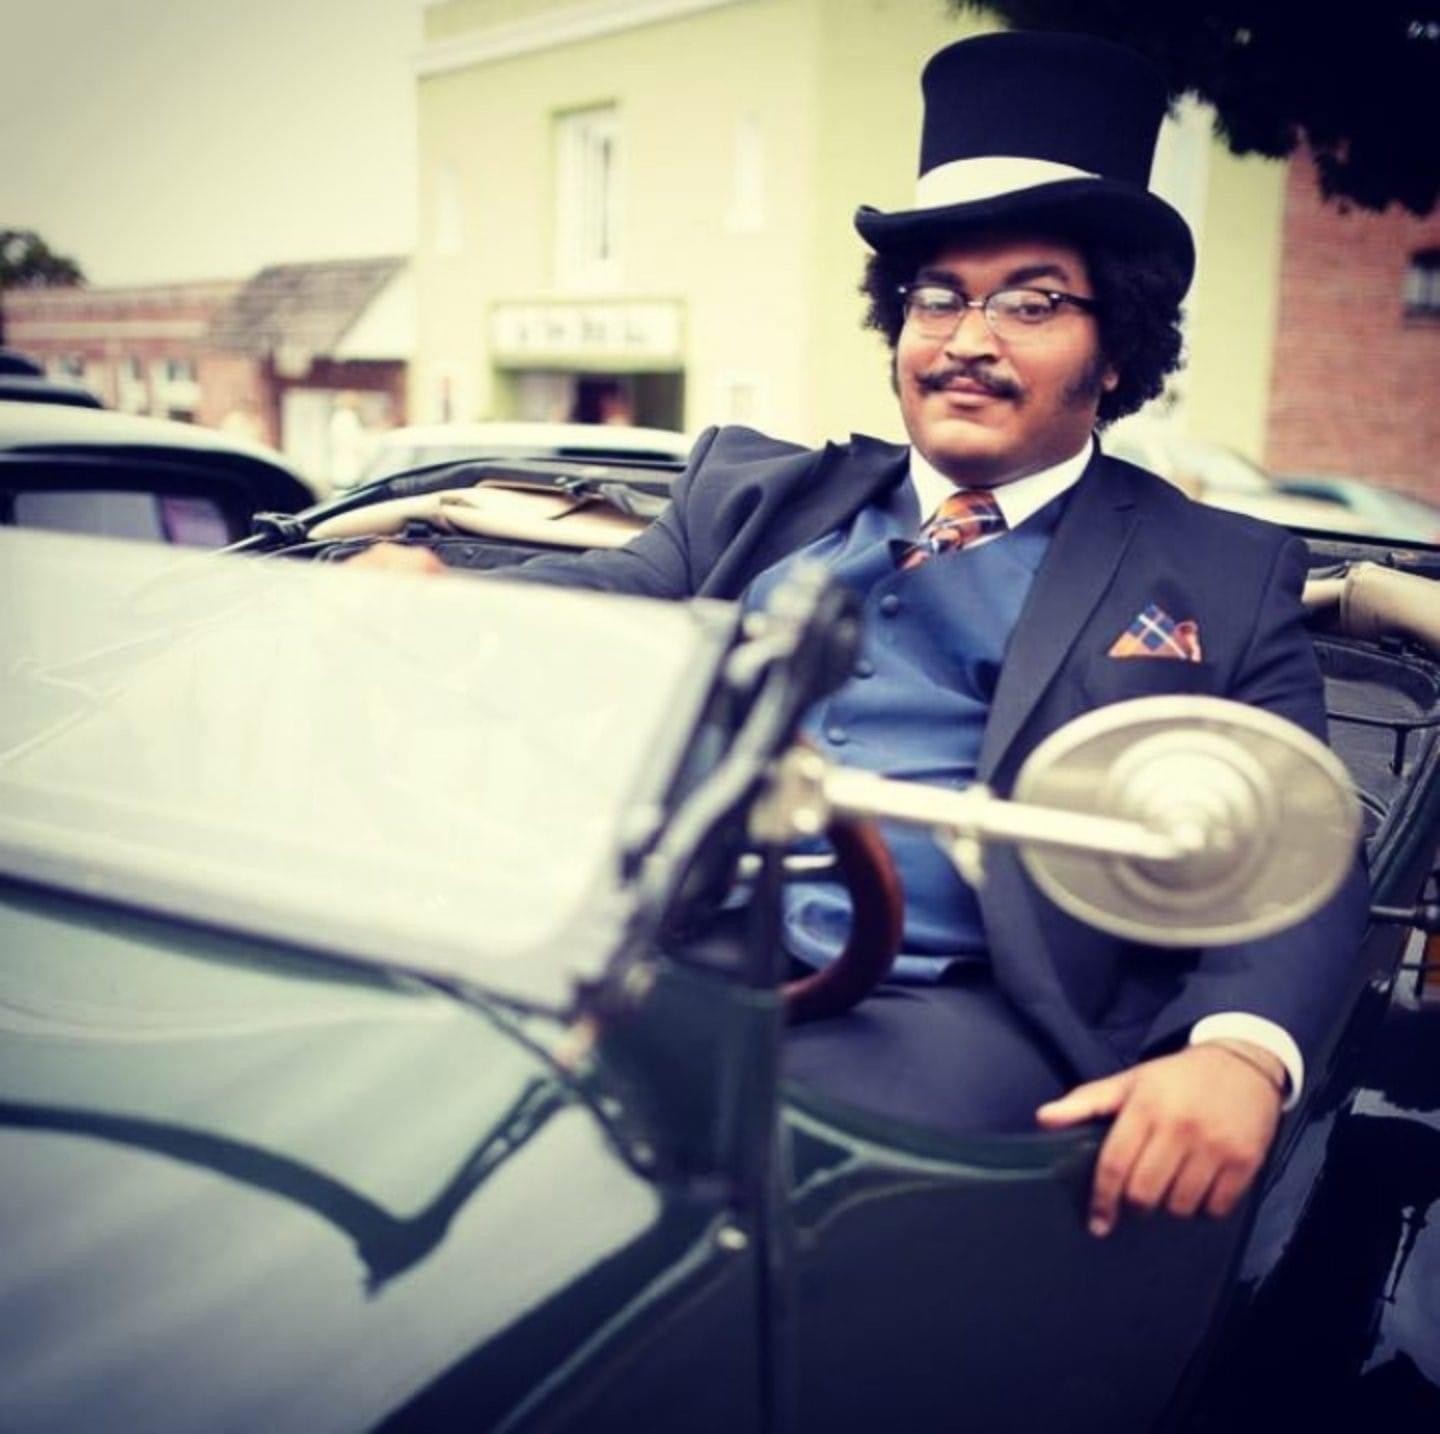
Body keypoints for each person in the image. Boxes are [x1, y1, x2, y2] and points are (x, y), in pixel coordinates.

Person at [350, 31, 1368, 1238]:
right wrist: (435, 602)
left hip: (951, 1011)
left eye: (1033, 302)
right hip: (654, 950)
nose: (968, 339)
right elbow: (601, 604)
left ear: (1116, 353)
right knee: (395, 1103)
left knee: (694, 1218)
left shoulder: (1221, 573)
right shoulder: (749, 495)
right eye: (938, 297)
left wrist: (1240, 1051)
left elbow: (1304, 849)